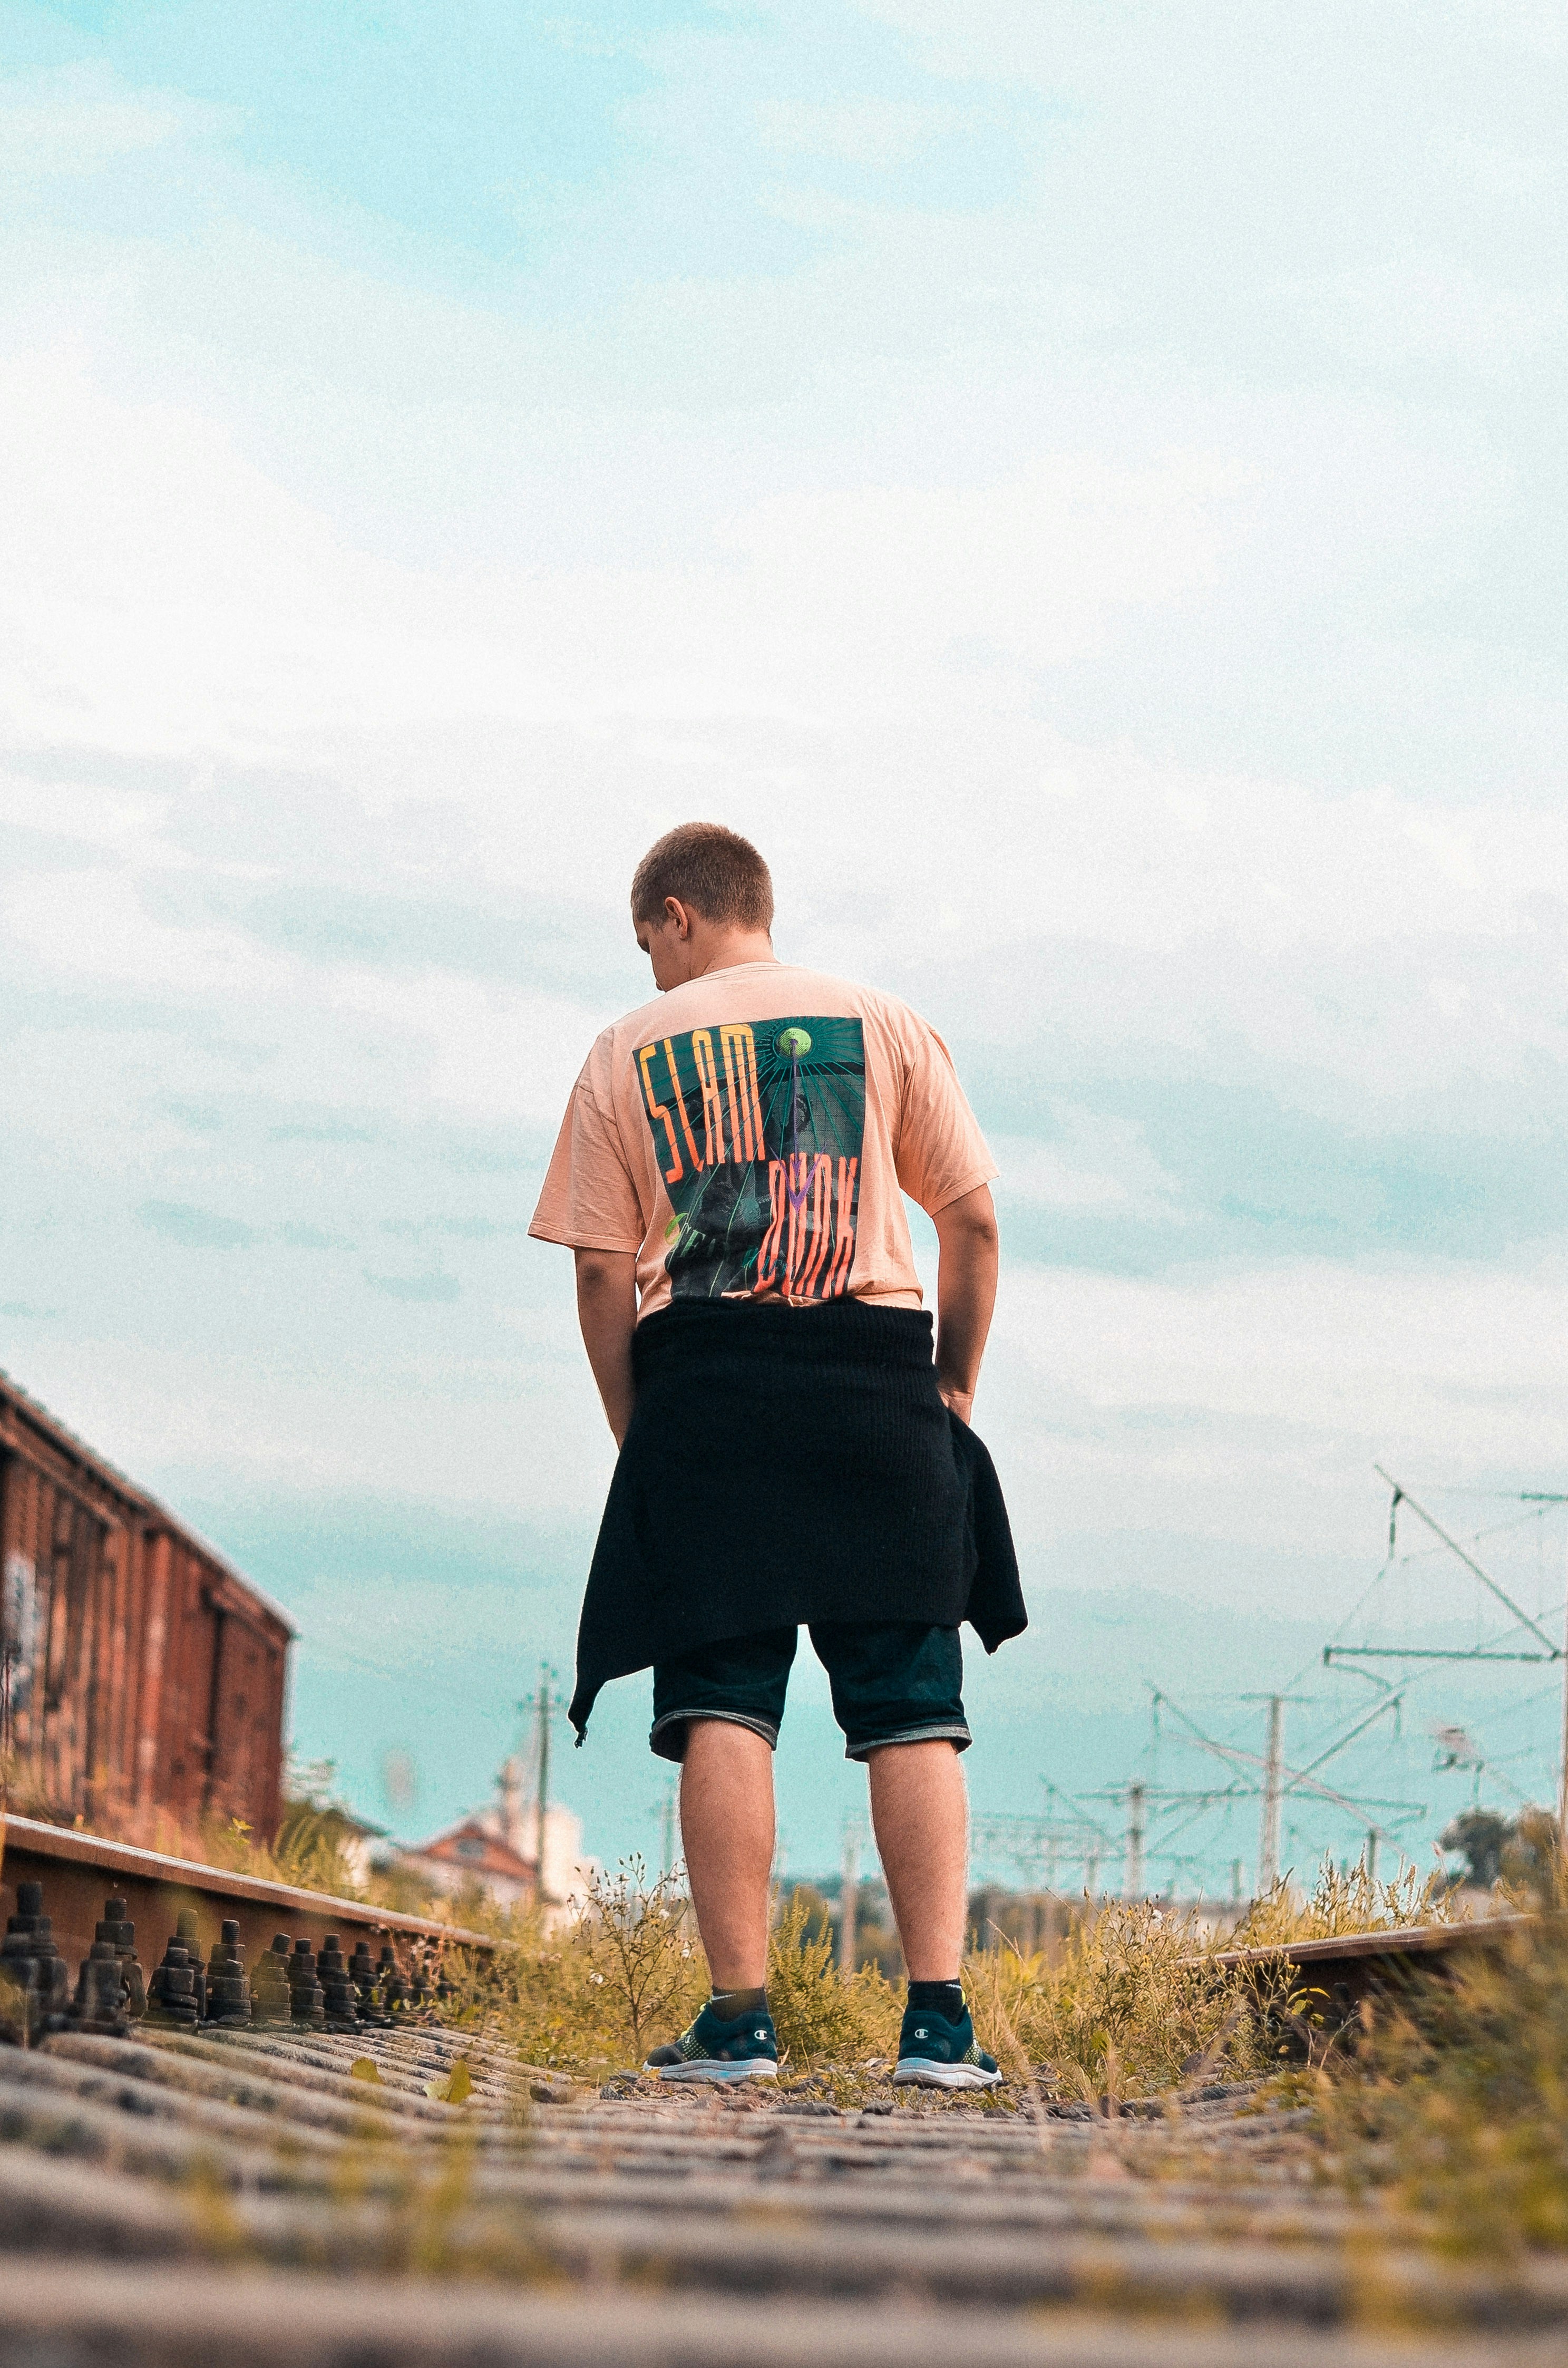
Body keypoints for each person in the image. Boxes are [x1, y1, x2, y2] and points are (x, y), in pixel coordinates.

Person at [529, 822, 1026, 2088]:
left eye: (649, 942)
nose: (652, 968)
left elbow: (599, 1269)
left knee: (721, 1704)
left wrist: (638, 1427)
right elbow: (970, 1221)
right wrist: (952, 1382)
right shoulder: (886, 1022)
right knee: (914, 1708)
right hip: (877, 1380)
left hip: (705, 1390)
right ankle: (938, 2025)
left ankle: (739, 2021)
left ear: (679, 914)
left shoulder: (625, 1048)